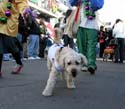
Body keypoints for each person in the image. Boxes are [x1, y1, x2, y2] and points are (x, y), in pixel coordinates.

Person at [0, 0, 29, 77]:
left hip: (9, 23)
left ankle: (19, 63)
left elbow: (22, 3)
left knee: (12, 46)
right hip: (1, 21)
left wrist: (24, 10)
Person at [76, 0, 104, 74]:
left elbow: (98, 5)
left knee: (91, 46)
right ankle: (83, 63)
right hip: (80, 25)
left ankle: (91, 64)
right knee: (81, 46)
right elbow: (72, 2)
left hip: (92, 26)